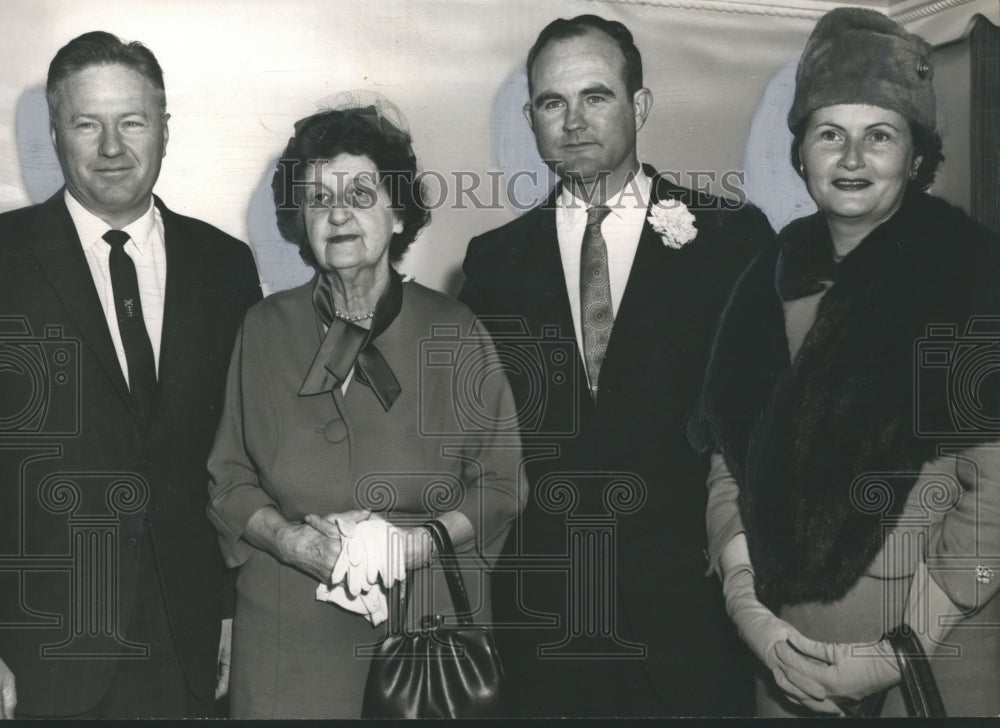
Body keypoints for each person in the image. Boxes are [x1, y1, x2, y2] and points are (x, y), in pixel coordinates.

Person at [459, 14, 775, 718]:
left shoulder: (732, 239)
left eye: (595, 96)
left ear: (639, 107)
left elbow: (764, 436)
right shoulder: (492, 263)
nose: (572, 121)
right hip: (542, 626)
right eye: (551, 102)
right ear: (532, 120)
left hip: (693, 621)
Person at [689, 7, 1000, 717]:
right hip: (786, 662)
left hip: (937, 666)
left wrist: (896, 653)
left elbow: (996, 498)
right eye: (831, 134)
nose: (852, 159)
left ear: (917, 157)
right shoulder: (761, 280)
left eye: (879, 136)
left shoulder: (969, 274)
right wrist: (752, 618)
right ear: (801, 153)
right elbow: (727, 465)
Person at [205, 102, 524, 719]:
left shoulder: (456, 331)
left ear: (398, 211)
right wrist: (295, 542)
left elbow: (502, 487)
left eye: (359, 191)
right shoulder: (264, 328)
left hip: (423, 640)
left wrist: (418, 543)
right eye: (318, 198)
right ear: (300, 220)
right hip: (287, 636)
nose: (338, 213)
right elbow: (228, 481)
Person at [0, 31, 261, 719]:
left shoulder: (225, 267)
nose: (112, 148)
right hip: (41, 644)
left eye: (132, 122)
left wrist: (234, 609)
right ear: (56, 134)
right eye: (88, 124)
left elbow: (245, 453)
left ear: (165, 130)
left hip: (189, 636)